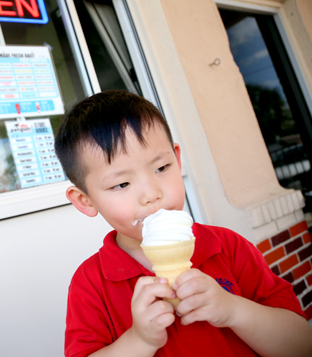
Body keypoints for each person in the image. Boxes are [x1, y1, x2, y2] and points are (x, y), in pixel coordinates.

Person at [54, 90, 312, 357]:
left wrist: (234, 310)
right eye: (121, 184)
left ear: (177, 160)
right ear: (85, 201)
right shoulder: (90, 284)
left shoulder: (227, 246)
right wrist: (139, 341)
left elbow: (301, 344)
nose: (151, 193)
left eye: (162, 168)